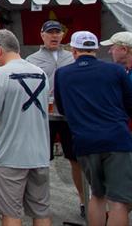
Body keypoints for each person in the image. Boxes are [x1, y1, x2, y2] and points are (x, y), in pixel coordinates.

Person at [55, 31, 132, 226]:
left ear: (73, 50)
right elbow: (130, 103)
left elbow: (62, 108)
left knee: (97, 196)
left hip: (85, 140)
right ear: (96, 49)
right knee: (118, 202)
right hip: (116, 139)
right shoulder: (115, 70)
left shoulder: (62, 74)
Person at [0, 30, 52, 226]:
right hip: (39, 153)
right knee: (41, 211)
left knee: (10, 212)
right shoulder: (40, 73)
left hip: (9, 155)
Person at [25, 20, 84, 217]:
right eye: (50, 32)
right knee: (41, 161)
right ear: (42, 35)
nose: (54, 36)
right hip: (44, 117)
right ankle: (39, 203)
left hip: (69, 116)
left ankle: (84, 201)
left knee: (76, 160)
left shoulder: (72, 57)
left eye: (58, 32)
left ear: (63, 35)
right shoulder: (32, 59)